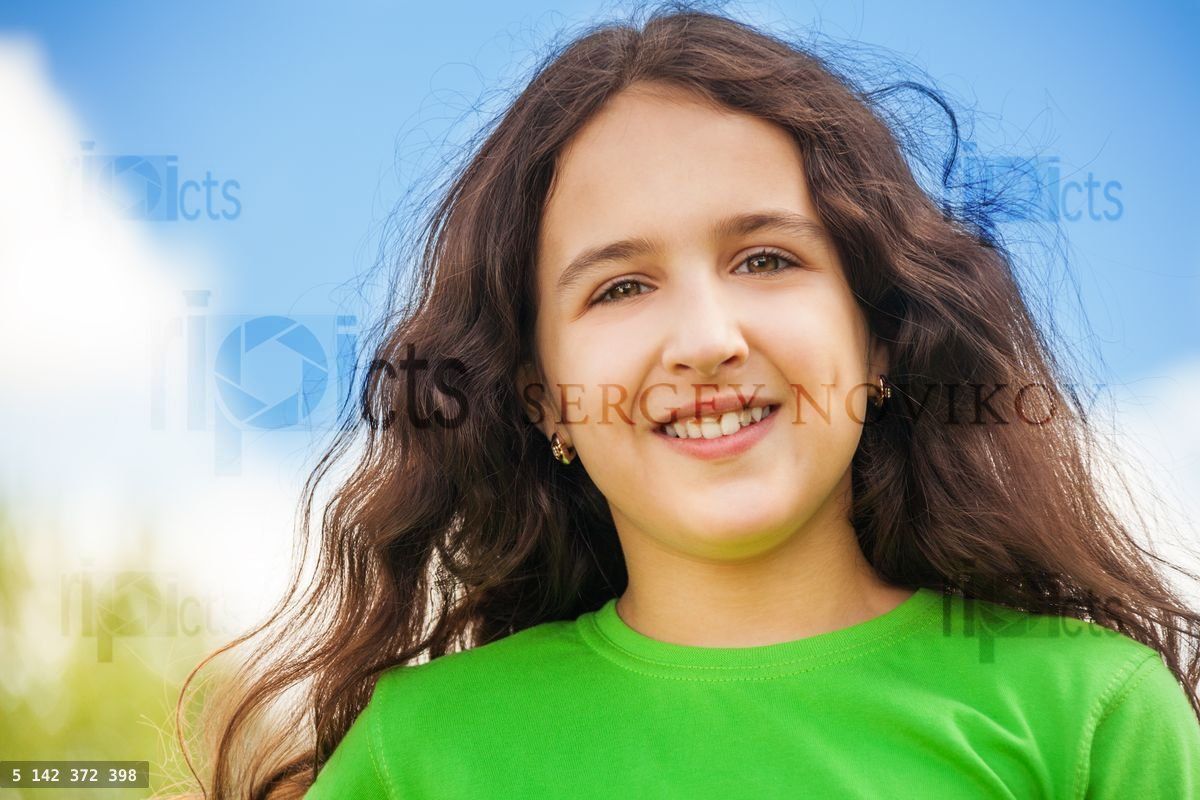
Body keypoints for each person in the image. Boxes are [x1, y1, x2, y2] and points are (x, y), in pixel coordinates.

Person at [178, 6, 1200, 798]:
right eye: (621, 286)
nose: (708, 338)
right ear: (542, 398)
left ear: (880, 334)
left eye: (765, 257)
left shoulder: (1091, 715)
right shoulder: (420, 749)